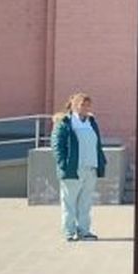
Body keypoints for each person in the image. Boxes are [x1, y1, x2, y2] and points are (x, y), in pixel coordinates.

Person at [52, 92, 107, 241]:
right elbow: (57, 147)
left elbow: (97, 144)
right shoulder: (65, 122)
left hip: (90, 168)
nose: (86, 107)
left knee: (85, 203)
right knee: (69, 203)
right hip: (73, 170)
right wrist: (64, 165)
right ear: (75, 105)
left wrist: (100, 162)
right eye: (83, 104)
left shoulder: (91, 122)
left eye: (88, 104)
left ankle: (84, 231)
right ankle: (69, 232)